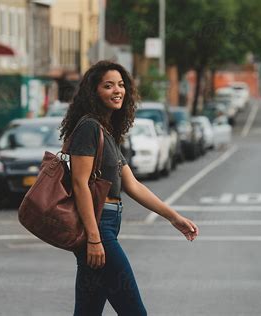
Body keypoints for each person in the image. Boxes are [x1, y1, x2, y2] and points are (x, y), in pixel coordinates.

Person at [60, 61, 199, 316]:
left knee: (87, 312)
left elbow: (132, 185)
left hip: (106, 225)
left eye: (121, 85)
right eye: (108, 85)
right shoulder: (89, 128)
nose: (117, 90)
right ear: (94, 92)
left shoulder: (105, 132)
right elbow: (80, 184)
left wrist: (173, 217)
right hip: (99, 228)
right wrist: (94, 238)